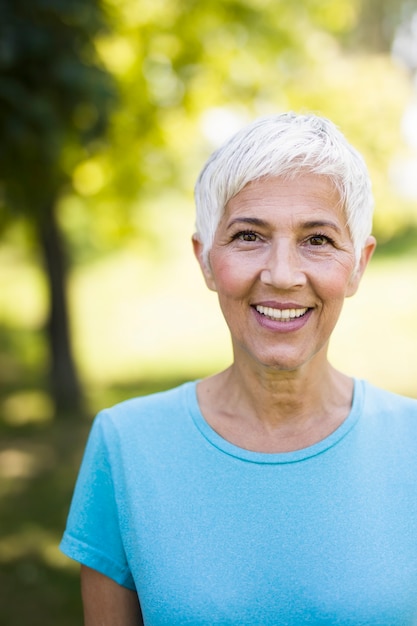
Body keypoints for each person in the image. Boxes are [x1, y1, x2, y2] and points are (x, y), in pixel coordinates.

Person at [60, 112, 417, 625]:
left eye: (317, 240)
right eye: (250, 236)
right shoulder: (126, 447)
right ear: (205, 259)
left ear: (358, 263)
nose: (283, 275)